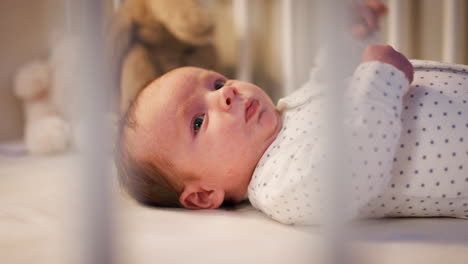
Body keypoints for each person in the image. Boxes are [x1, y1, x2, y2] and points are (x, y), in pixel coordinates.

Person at [115, 2, 468, 224]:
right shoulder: (279, 184)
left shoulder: (289, 109)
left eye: (216, 83)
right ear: (204, 195)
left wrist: (349, 34)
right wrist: (382, 80)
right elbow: (352, 167)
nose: (226, 94)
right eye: (197, 121)